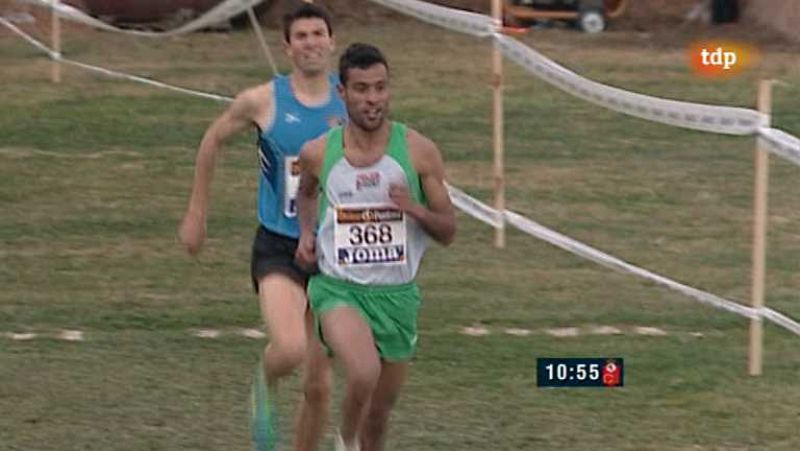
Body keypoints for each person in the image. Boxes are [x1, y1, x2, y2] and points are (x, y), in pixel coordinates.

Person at [177, 3, 346, 451]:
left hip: (333, 251)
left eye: (318, 34)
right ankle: (265, 381)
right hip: (278, 246)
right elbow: (212, 139)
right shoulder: (263, 100)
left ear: (332, 42)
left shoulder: (349, 100)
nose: (311, 43)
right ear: (287, 47)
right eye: (302, 36)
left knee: (320, 385)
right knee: (289, 349)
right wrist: (197, 214)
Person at [295, 43, 456, 451]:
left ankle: (359, 439)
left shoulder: (418, 152)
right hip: (339, 289)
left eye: (381, 88)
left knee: (380, 417)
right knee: (363, 373)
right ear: (342, 92)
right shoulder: (318, 152)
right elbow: (307, 193)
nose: (373, 99)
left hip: (397, 297)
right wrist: (306, 234)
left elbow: (449, 230)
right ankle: (344, 441)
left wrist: (414, 210)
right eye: (362, 89)